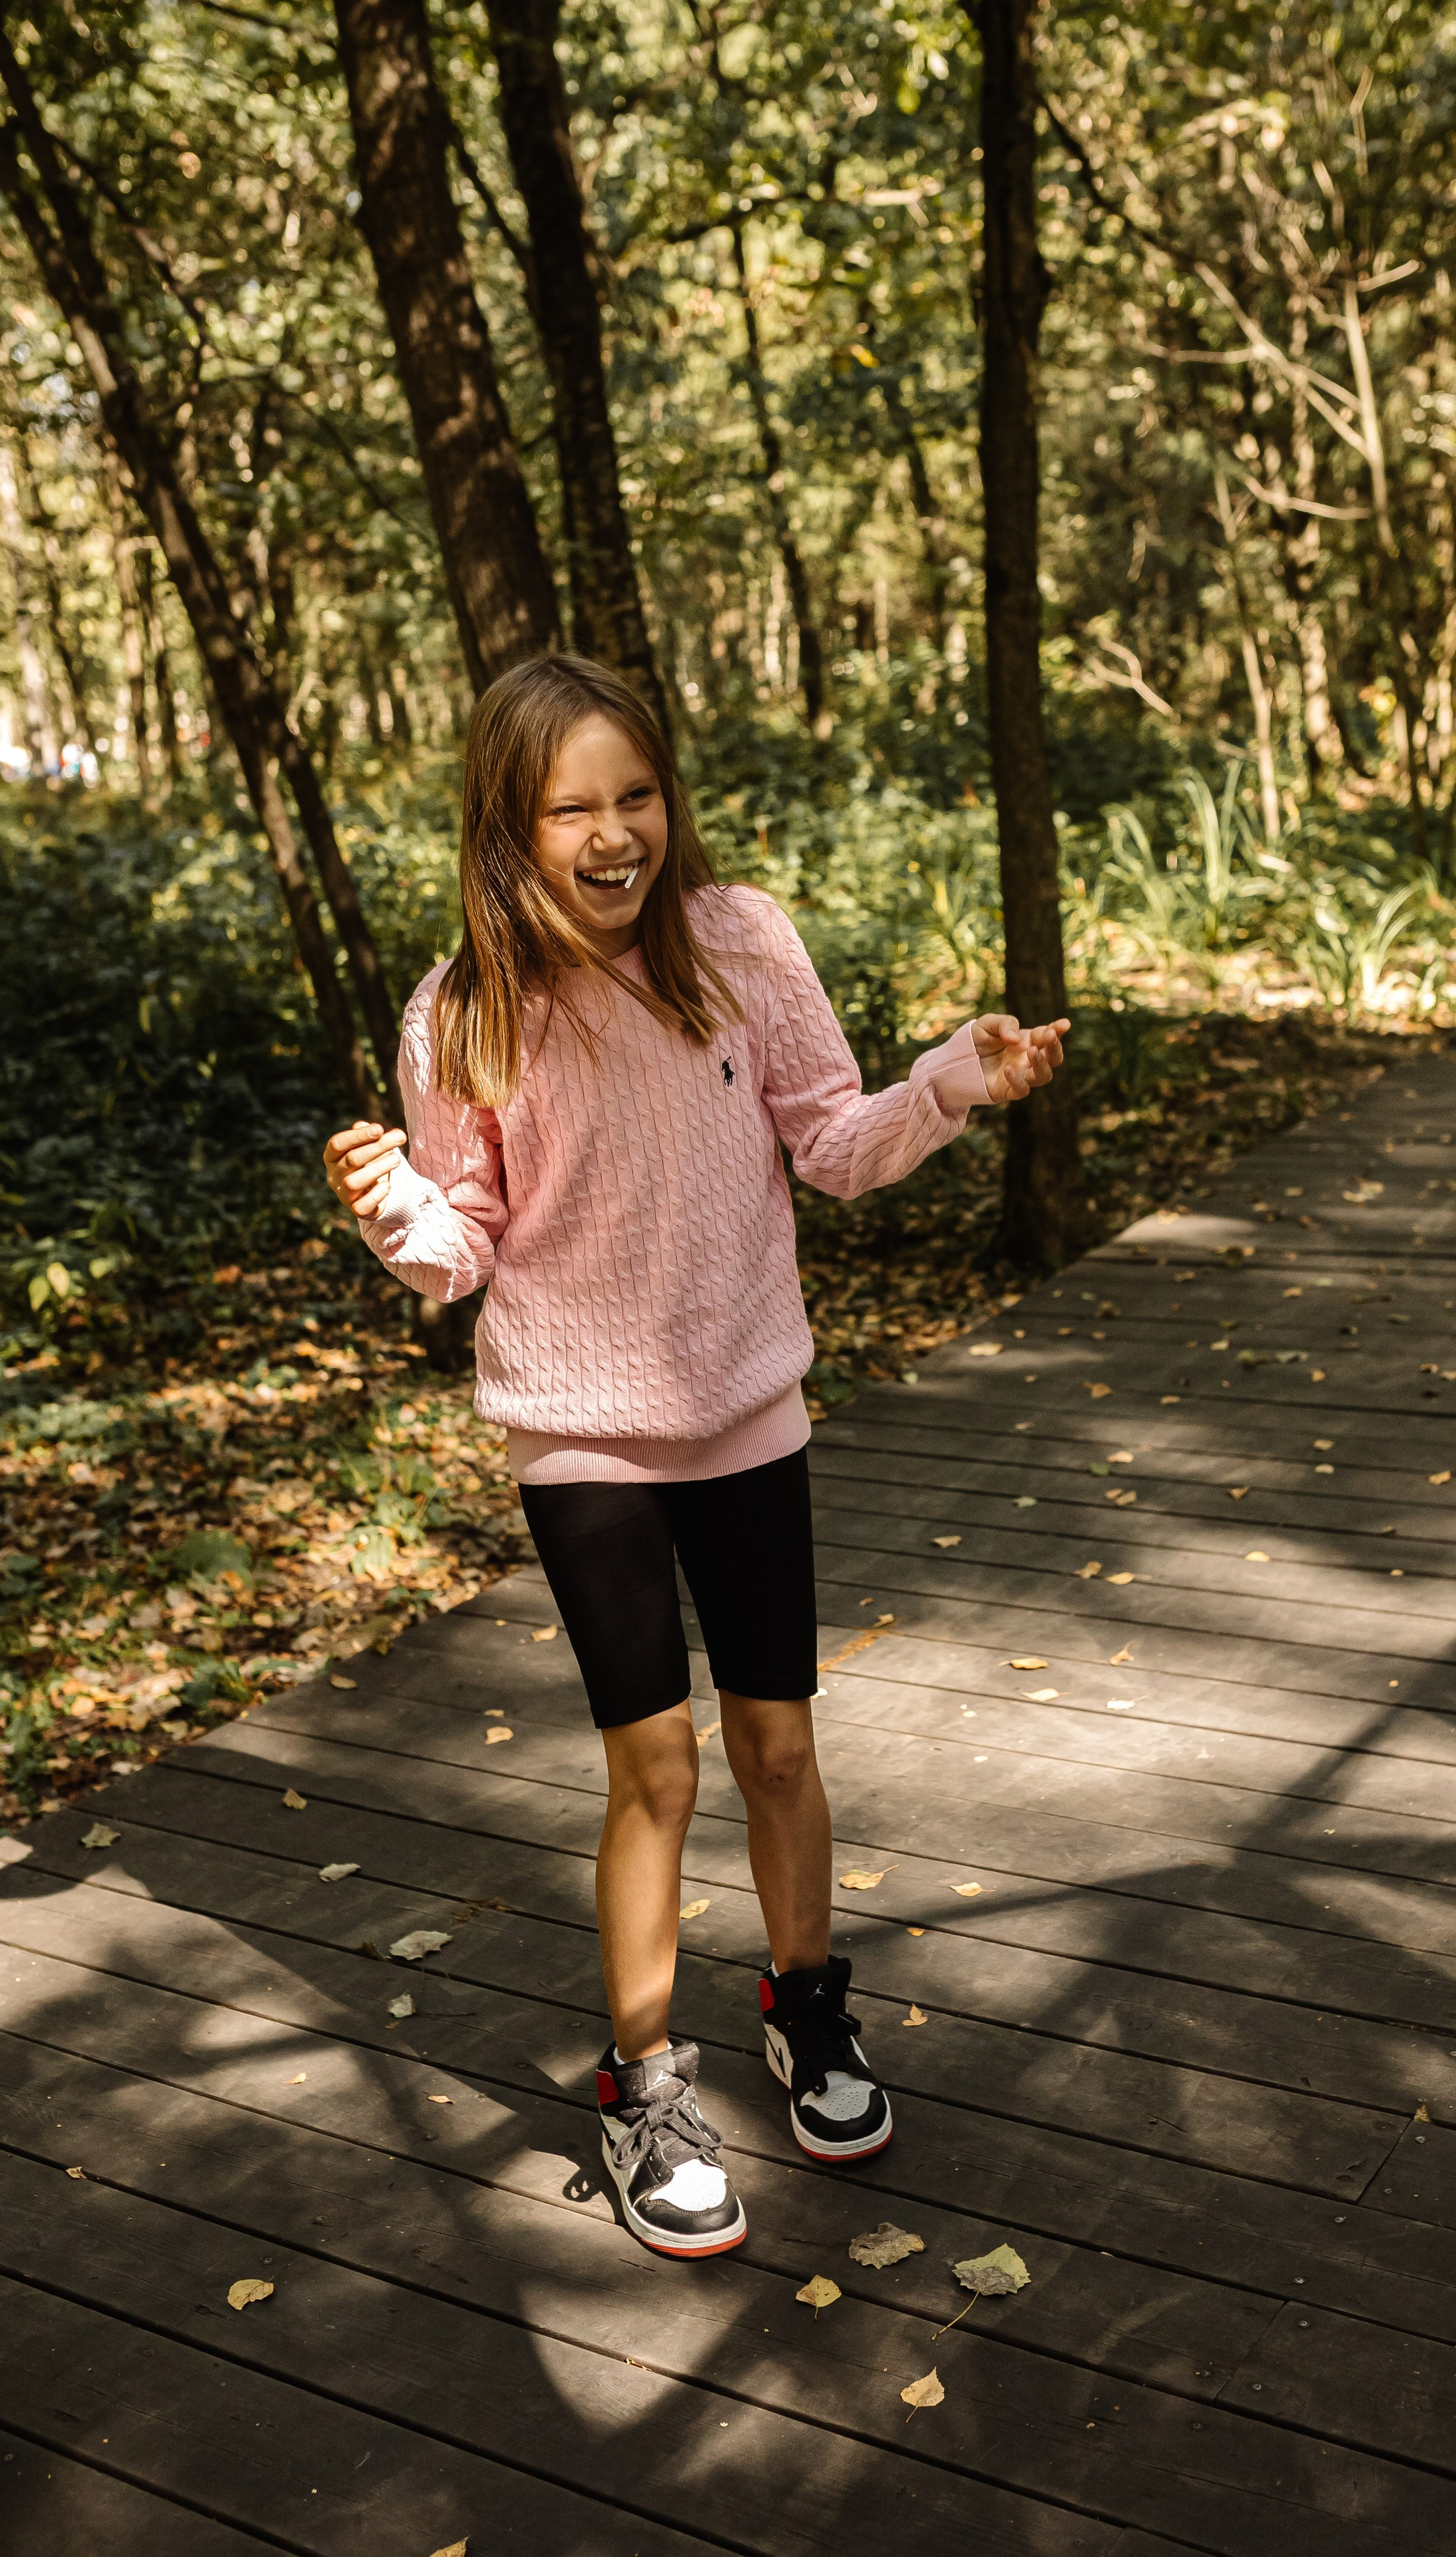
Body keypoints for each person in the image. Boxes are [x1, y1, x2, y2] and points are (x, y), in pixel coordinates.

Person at [322, 654, 1068, 2258]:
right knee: (651, 1767)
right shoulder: (461, 1012)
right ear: (507, 829)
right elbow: (460, 1246)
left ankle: (807, 2014)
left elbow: (831, 1140)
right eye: (569, 808)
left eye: (634, 797)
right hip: (579, 1431)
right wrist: (394, 1206)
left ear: (670, 800)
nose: (611, 835)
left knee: (778, 1748)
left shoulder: (738, 941)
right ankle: (645, 2083)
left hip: (746, 1405)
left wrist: (951, 1081)